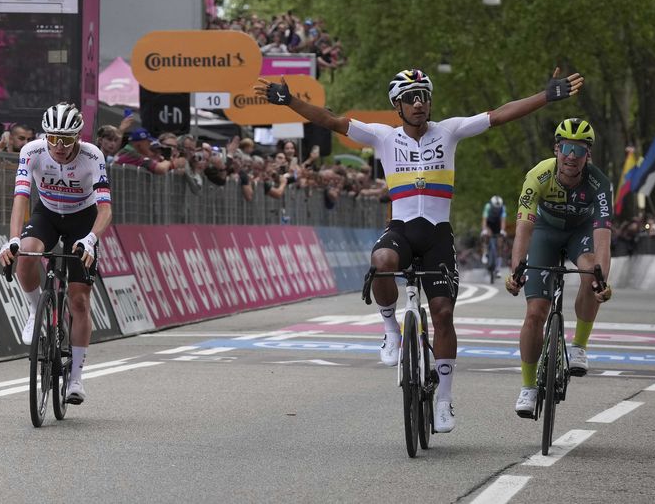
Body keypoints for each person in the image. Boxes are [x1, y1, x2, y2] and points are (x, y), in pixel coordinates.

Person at [256, 66, 583, 433]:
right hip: (402, 231)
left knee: (443, 314)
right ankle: (391, 330)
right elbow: (330, 120)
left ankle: (444, 401)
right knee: (381, 261)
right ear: (397, 105)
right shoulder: (383, 137)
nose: (418, 103)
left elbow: (499, 114)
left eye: (424, 96)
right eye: (410, 98)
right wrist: (289, 101)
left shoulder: (450, 131)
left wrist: (546, 96)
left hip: (438, 236)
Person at [0, 102, 112, 405]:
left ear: (78, 137)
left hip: (82, 219)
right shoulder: (32, 151)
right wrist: (12, 239)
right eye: (52, 138)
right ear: (44, 135)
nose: (59, 146)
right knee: (26, 254)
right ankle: (36, 310)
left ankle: (76, 378)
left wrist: (90, 240)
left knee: (78, 300)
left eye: (67, 139)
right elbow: (21, 198)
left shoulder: (92, 156)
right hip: (46, 213)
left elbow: (105, 209)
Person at [504, 118, 613, 419]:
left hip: (581, 234)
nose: (571, 156)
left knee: (592, 272)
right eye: (566, 148)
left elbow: (603, 235)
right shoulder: (537, 176)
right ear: (556, 149)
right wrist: (516, 270)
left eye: (579, 150)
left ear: (588, 155)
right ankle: (528, 387)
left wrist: (602, 278)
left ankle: (578, 345)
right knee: (535, 311)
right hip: (544, 234)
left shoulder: (599, 183)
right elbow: (524, 227)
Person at [481, 195, 507, 277]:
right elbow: (484, 219)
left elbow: (503, 220)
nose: (496, 210)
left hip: (498, 226)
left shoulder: (503, 208)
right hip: (489, 225)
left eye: (497, 209)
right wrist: (484, 230)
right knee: (486, 235)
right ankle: (485, 252)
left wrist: (502, 231)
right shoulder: (488, 206)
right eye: (495, 208)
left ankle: (498, 269)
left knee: (500, 244)